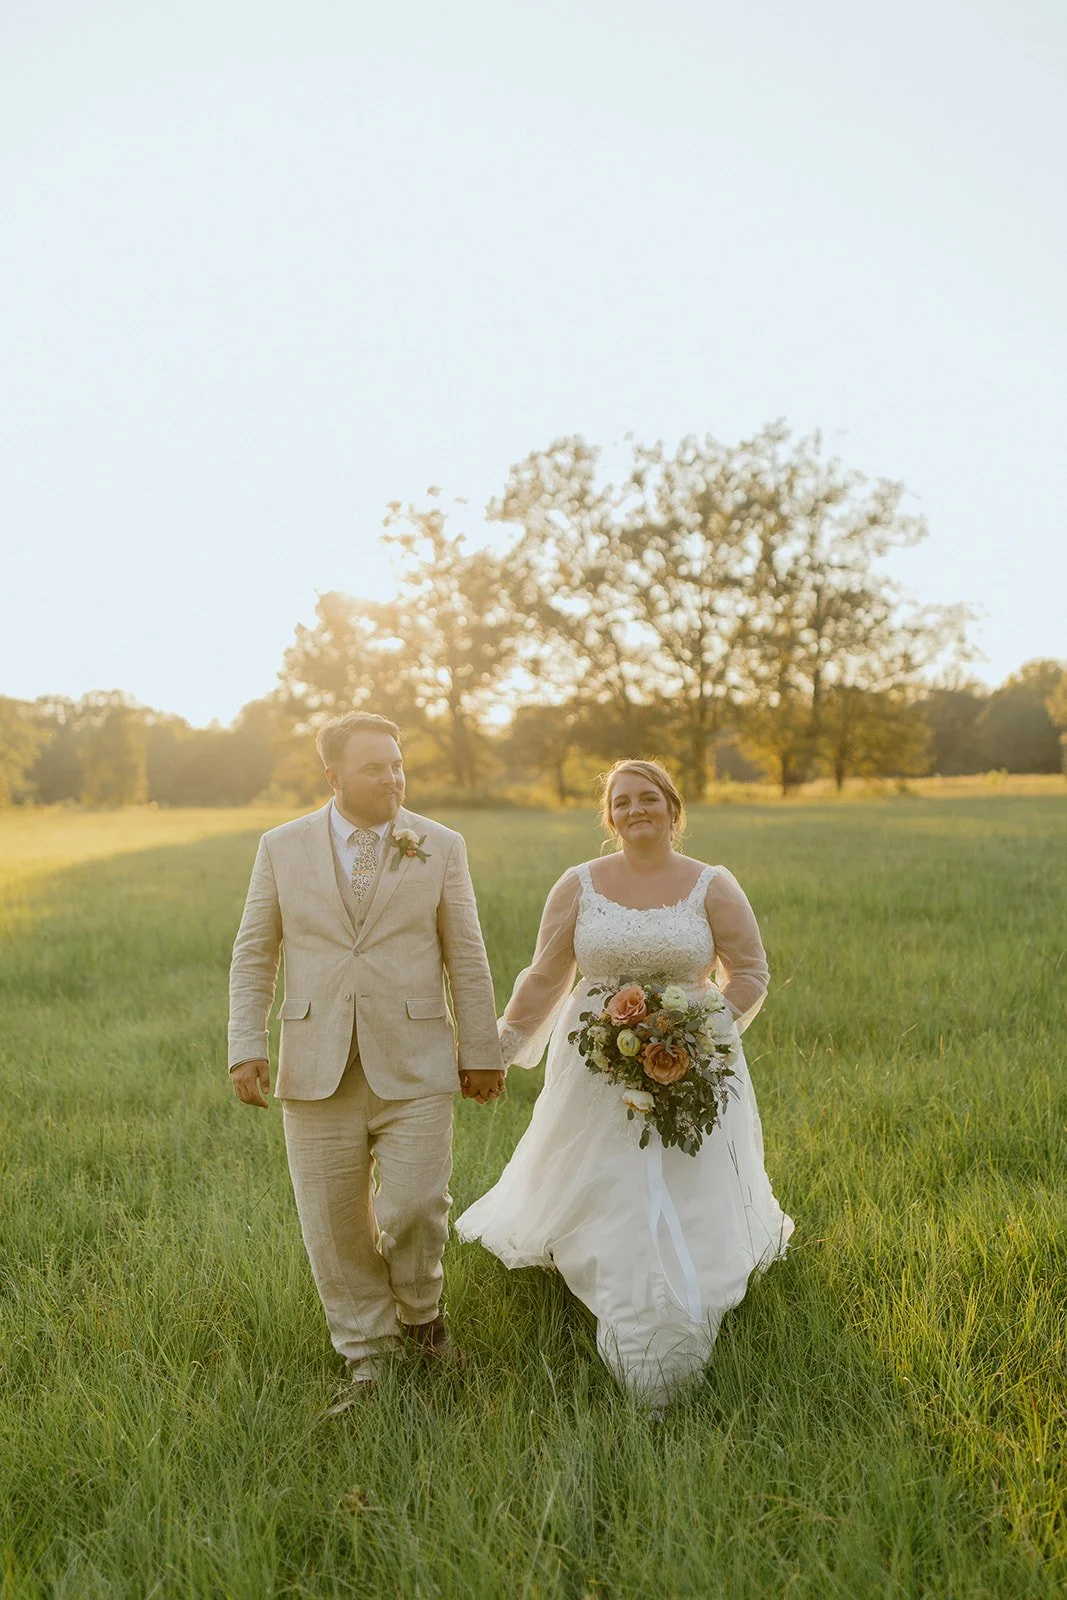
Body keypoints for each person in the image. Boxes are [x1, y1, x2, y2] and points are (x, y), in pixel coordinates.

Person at [456, 759, 793, 1410]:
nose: (636, 809)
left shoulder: (712, 885)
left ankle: (684, 1297)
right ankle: (615, 1280)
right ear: (608, 816)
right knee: (608, 1179)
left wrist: (696, 1031)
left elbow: (749, 971)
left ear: (672, 807)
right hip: (594, 1064)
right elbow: (544, 977)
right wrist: (495, 1048)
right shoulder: (578, 885)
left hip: (690, 1062)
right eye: (622, 801)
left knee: (686, 1179)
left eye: (648, 798)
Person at [228, 711, 505, 1412]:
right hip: (314, 1060)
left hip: (415, 1058)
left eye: (397, 764)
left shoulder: (438, 845)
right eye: (375, 767)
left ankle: (420, 1318)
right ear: (333, 776)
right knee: (333, 1222)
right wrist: (246, 1045)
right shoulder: (280, 846)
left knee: (416, 1205)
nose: (393, 778)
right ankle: (367, 1358)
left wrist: (481, 1053)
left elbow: (465, 955)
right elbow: (255, 951)